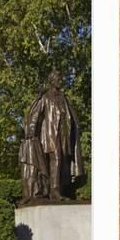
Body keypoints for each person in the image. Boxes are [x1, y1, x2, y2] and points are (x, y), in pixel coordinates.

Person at [20, 71, 84, 201]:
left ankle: (57, 190)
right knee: (56, 159)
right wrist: (31, 132)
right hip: (49, 135)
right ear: (52, 80)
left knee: (62, 162)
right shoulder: (45, 97)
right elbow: (35, 115)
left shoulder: (63, 98)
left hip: (63, 135)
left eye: (62, 79)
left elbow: (70, 117)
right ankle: (54, 192)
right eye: (59, 79)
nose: (61, 81)